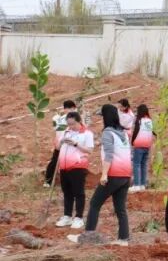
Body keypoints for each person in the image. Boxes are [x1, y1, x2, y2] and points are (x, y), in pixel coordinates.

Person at [68, 104, 133, 247]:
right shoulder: (123, 133)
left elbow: (109, 155)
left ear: (106, 117)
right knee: (121, 209)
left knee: (94, 204)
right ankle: (124, 239)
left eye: (102, 116)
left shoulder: (108, 133)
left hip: (113, 175)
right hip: (125, 176)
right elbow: (128, 154)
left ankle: (88, 237)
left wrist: (104, 174)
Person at [54, 112, 93, 229]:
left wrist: (76, 144)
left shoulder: (87, 133)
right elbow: (57, 148)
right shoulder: (66, 132)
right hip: (64, 167)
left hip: (78, 166)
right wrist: (61, 141)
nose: (71, 126)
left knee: (78, 192)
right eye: (69, 124)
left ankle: (79, 217)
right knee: (67, 192)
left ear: (79, 121)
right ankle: (67, 216)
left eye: (73, 124)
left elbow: (89, 150)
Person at [44, 100, 79, 187]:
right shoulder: (72, 118)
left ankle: (48, 181)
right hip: (67, 143)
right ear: (73, 108)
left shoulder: (56, 118)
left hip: (59, 142)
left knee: (55, 161)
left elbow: (56, 130)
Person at [130, 104, 154, 192]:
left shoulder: (139, 120)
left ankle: (136, 185)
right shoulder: (149, 120)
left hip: (139, 144)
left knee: (136, 164)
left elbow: (136, 131)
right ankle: (143, 184)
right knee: (144, 165)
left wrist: (132, 141)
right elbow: (151, 131)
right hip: (147, 145)